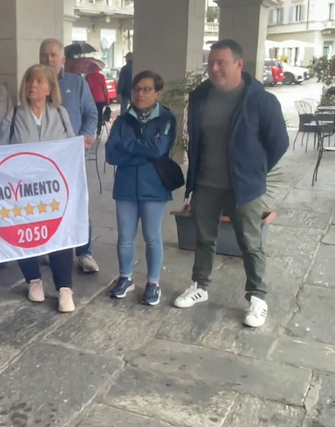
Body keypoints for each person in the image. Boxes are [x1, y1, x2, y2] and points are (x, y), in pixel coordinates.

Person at [174, 39, 289, 328]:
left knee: (250, 243)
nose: (214, 68)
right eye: (211, 63)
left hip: (243, 188)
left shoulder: (260, 101)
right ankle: (200, 285)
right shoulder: (200, 96)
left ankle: (258, 297)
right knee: (204, 237)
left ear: (239, 64)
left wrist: (255, 172)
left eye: (221, 63)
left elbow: (278, 143)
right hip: (206, 184)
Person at [0, 64, 84, 312]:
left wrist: (82, 145)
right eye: (29, 81)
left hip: (54, 190)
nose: (32, 85)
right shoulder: (14, 115)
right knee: (26, 234)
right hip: (22, 191)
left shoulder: (60, 114)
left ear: (49, 89)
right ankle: (33, 280)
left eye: (39, 82)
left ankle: (64, 288)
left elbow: (71, 148)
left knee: (59, 235)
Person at [105, 70, 177, 306]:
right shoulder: (122, 120)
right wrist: (145, 151)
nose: (140, 94)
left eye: (147, 89)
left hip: (154, 187)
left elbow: (159, 150)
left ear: (158, 93)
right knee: (125, 237)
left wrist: (128, 146)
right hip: (125, 186)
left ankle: (153, 282)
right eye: (137, 89)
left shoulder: (166, 119)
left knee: (152, 237)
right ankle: (125, 278)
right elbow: (111, 154)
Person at [39, 38, 99, 273]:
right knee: (46, 204)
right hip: (43, 160)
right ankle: (49, 247)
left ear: (63, 59)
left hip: (71, 158)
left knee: (77, 203)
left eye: (53, 55)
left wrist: (85, 136)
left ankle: (84, 253)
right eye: (44, 55)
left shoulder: (77, 84)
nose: (49, 59)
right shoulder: (34, 83)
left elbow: (91, 113)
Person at [85, 68, 110, 136]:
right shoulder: (101, 76)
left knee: (91, 114)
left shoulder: (88, 77)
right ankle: (99, 129)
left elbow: (87, 89)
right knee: (99, 114)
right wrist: (107, 99)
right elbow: (105, 89)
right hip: (101, 99)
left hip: (91, 99)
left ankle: (91, 130)